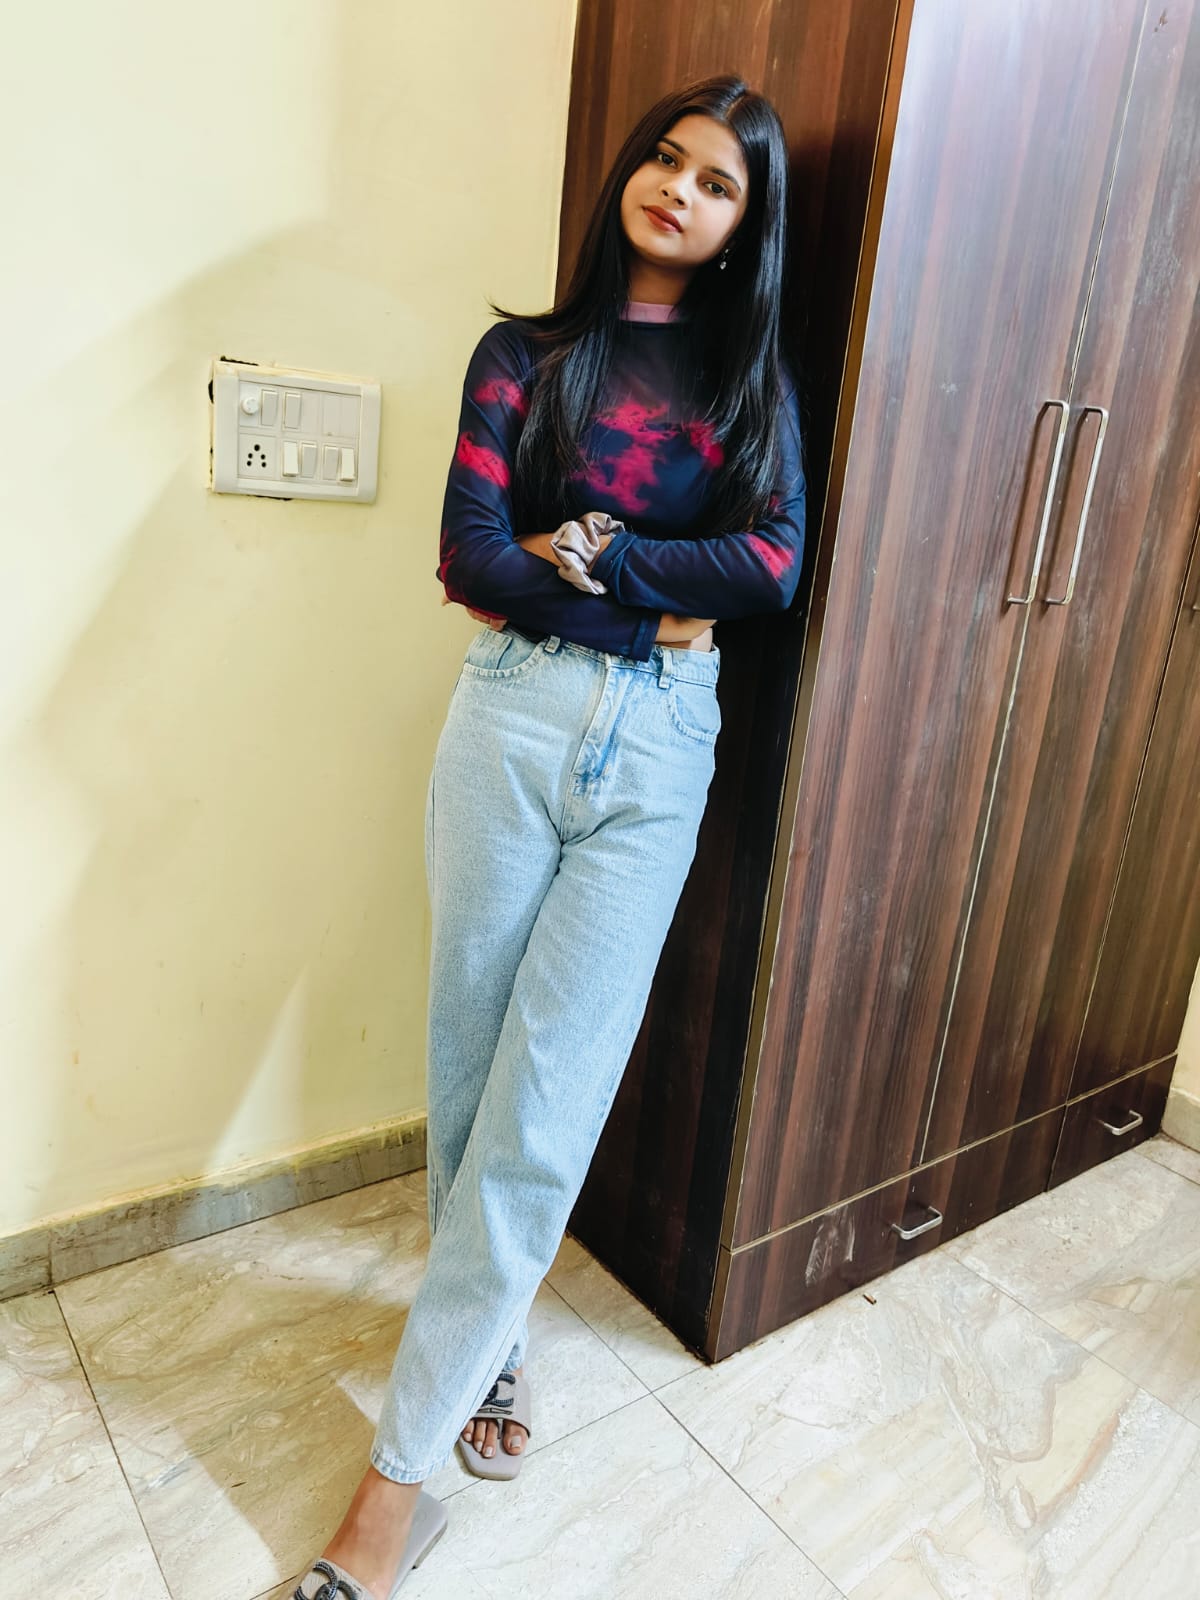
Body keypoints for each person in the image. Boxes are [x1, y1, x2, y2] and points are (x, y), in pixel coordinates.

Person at [296, 70, 805, 1600]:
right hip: (510, 722)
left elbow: (769, 565)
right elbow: (469, 563)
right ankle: (493, 1340)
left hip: (659, 747)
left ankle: (393, 1489)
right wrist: (646, 586)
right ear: (629, 172)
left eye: (718, 183)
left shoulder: (747, 381)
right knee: (469, 1069)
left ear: (741, 227)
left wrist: (590, 548)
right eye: (668, 159)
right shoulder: (525, 355)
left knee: (546, 1104)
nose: (681, 190)